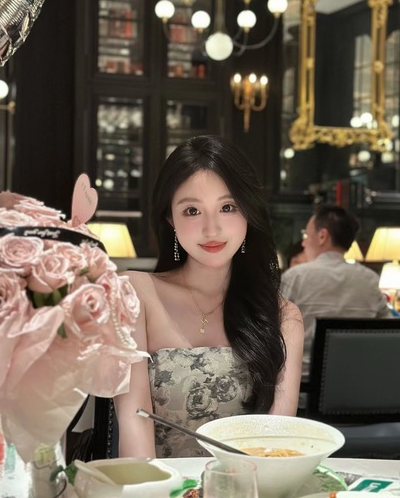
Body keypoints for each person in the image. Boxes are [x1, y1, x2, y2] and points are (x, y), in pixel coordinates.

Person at [114, 135, 303, 458]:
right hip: (160, 482)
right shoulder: (135, 293)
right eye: (192, 211)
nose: (211, 229)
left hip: (252, 483)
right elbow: (134, 421)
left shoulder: (283, 316)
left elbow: (278, 440)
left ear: (248, 213)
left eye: (227, 207)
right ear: (170, 219)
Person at [280, 204, 392, 392]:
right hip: (359, 389)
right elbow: (388, 334)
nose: (303, 243)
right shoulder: (370, 280)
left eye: (306, 236)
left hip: (302, 391)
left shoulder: (295, 277)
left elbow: (271, 333)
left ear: (322, 236)